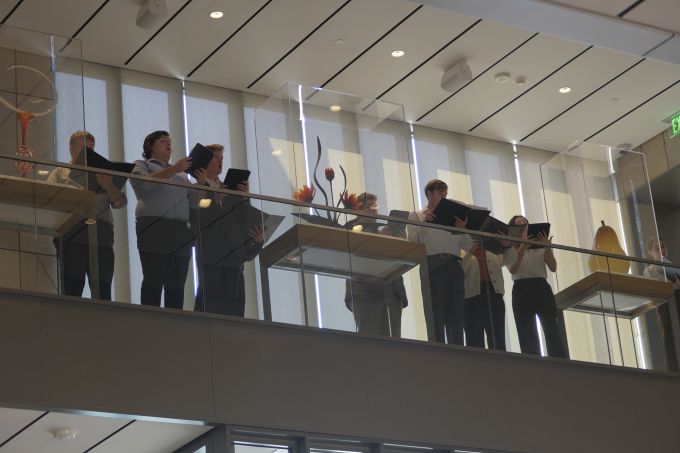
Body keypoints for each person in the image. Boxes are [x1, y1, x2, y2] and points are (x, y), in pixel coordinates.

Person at [49, 131, 127, 300]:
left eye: (92, 147)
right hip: (71, 231)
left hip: (101, 234)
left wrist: (107, 185)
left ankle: (103, 324)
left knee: (103, 288)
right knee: (72, 287)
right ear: (71, 149)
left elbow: (120, 203)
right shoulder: (61, 172)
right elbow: (48, 199)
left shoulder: (104, 173)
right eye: (85, 147)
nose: (90, 151)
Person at [193, 144, 263, 317]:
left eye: (222, 158)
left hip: (233, 253)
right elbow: (199, 214)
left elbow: (242, 219)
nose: (220, 160)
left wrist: (245, 197)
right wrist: (215, 199)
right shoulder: (198, 187)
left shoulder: (229, 188)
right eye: (216, 157)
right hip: (211, 253)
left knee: (234, 301)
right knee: (211, 300)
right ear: (205, 161)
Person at [131, 130, 198, 309]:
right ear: (150, 145)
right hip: (154, 227)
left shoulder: (183, 176)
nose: (169, 144)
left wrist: (201, 182)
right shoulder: (142, 164)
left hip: (181, 230)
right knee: (153, 279)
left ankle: (174, 326)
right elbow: (142, 184)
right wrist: (174, 168)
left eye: (170, 141)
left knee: (176, 285)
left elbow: (197, 203)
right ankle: (149, 322)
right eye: (163, 141)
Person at [407, 179, 471, 345]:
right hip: (433, 264)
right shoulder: (416, 215)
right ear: (429, 194)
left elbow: (467, 246)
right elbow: (413, 243)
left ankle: (457, 349)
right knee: (436, 310)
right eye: (440, 193)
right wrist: (424, 223)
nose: (444, 197)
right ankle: (437, 350)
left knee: (456, 310)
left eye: (445, 194)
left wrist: (461, 229)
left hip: (455, 264)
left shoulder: (453, 216)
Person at [344, 193, 408, 337]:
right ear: (357, 210)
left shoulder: (383, 229)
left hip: (392, 289)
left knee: (394, 340)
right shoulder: (351, 228)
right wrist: (381, 239)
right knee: (369, 338)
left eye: (375, 206)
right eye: (369, 206)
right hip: (364, 289)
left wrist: (400, 241)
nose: (374, 209)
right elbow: (357, 254)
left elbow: (402, 258)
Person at [506, 215, 566, 358]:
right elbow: (513, 270)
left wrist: (547, 248)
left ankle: (558, 360)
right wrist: (522, 247)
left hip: (541, 286)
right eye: (519, 224)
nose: (524, 226)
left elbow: (553, 267)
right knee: (526, 330)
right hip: (521, 287)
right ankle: (532, 362)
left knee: (551, 326)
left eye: (526, 223)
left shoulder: (539, 246)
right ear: (513, 229)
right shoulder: (510, 248)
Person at [462, 237, 516, 350]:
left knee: (498, 337)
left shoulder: (492, 247)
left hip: (493, 293)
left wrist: (508, 246)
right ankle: (477, 367)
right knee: (474, 339)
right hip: (472, 297)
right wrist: (470, 252)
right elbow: (459, 269)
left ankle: (499, 366)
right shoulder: (461, 246)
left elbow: (510, 260)